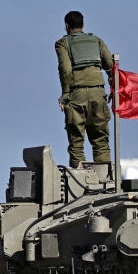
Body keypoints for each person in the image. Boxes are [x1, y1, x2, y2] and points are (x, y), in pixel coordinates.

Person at [56, 11, 114, 168]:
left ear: (66, 26)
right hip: (98, 93)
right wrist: (114, 88)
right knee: (101, 141)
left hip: (76, 95)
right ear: (83, 25)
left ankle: (79, 185)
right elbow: (111, 66)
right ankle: (104, 183)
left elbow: (66, 70)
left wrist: (65, 95)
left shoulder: (62, 43)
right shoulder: (97, 41)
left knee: (76, 143)